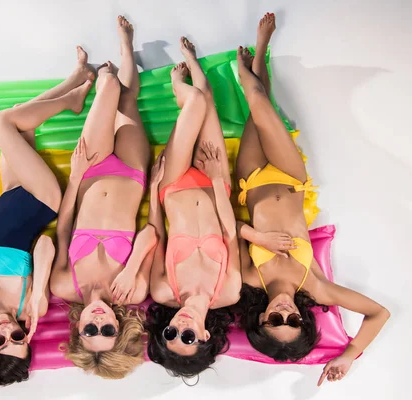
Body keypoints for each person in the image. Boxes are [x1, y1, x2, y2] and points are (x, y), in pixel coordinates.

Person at [233, 13, 390, 385]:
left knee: (259, 109)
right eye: (294, 321)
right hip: (290, 177)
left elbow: (229, 226)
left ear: (260, 321)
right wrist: (349, 357)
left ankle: (257, 61)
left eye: (275, 321)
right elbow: (379, 314)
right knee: (257, 99)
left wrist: (257, 238)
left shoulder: (249, 277)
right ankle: (255, 58)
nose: (285, 313)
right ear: (304, 318)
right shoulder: (314, 286)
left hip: (250, 179)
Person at [0, 46, 95, 386]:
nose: (8, 331)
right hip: (41, 200)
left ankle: (74, 84)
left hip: (8, 196)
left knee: (16, 120)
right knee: (2, 122)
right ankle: (72, 97)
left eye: (0, 342)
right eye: (18, 340)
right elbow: (44, 243)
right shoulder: (30, 306)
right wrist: (39, 292)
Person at [49, 16, 154, 379]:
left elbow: (63, 229)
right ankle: (127, 44)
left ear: (78, 332)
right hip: (131, 172)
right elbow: (153, 233)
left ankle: (101, 80)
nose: (98, 324)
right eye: (107, 332)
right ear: (119, 330)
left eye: (90, 332)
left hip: (90, 172)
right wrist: (131, 264)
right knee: (127, 97)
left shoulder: (64, 285)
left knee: (107, 84)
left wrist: (76, 177)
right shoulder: (133, 291)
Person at [146, 35, 242, 381]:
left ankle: (177, 84)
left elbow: (156, 235)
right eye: (187, 337)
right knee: (207, 105)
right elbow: (230, 234)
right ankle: (194, 65)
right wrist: (218, 179)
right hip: (213, 183)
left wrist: (154, 188)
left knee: (196, 102)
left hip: (172, 185)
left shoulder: (163, 291)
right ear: (204, 337)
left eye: (170, 334)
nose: (179, 328)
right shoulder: (228, 293)